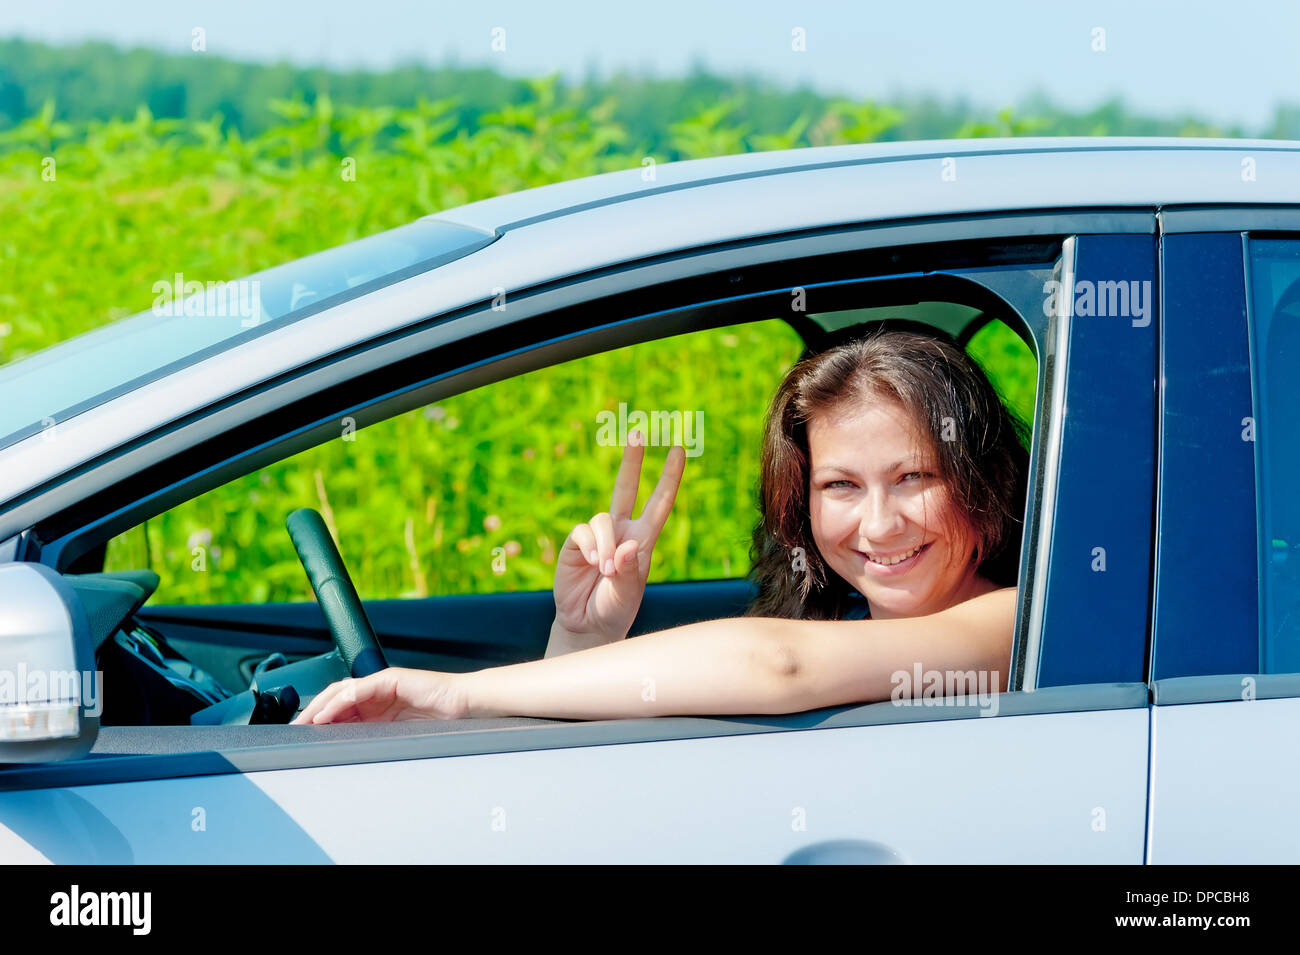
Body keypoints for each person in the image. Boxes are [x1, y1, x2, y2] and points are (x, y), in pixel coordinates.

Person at [292, 328, 1029, 724]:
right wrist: (585, 635)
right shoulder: (845, 614)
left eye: (915, 478)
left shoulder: (1019, 622)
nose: (877, 523)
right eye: (840, 485)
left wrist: (461, 692)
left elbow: (778, 664)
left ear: (980, 480)